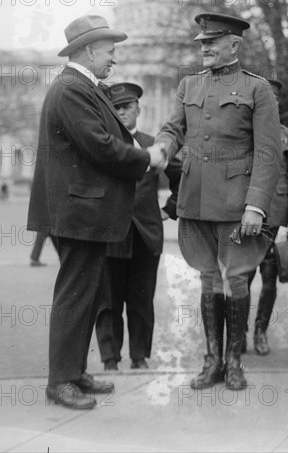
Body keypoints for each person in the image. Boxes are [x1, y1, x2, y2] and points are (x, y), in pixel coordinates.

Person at [27, 15, 165, 410]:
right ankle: (60, 382)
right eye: (109, 50)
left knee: (85, 295)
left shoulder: (83, 87)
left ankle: (72, 372)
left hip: (84, 211)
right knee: (75, 295)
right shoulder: (72, 88)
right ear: (88, 50)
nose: (114, 59)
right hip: (77, 212)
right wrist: (146, 157)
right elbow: (100, 146)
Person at [154, 13, 282, 390]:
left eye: (212, 41)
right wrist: (162, 147)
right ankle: (212, 361)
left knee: (237, 279)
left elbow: (268, 153)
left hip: (237, 204)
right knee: (207, 279)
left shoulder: (258, 90)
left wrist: (256, 205)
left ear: (235, 45)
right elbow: (173, 128)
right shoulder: (188, 85)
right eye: (202, 42)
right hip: (194, 200)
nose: (204, 47)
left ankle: (234, 362)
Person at [95, 82, 181, 370]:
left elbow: (180, 174)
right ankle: (110, 359)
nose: (121, 113)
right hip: (109, 236)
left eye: (126, 107)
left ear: (138, 110)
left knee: (141, 301)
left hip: (146, 235)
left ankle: (139, 357)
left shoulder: (153, 145)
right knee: (108, 302)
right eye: (115, 108)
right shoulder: (102, 144)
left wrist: (170, 208)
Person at [245, 79, 288, 355]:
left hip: (275, 220)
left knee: (269, 279)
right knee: (240, 280)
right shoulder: (244, 134)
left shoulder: (287, 137)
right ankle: (238, 333)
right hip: (245, 219)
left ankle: (260, 332)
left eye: (274, 101)